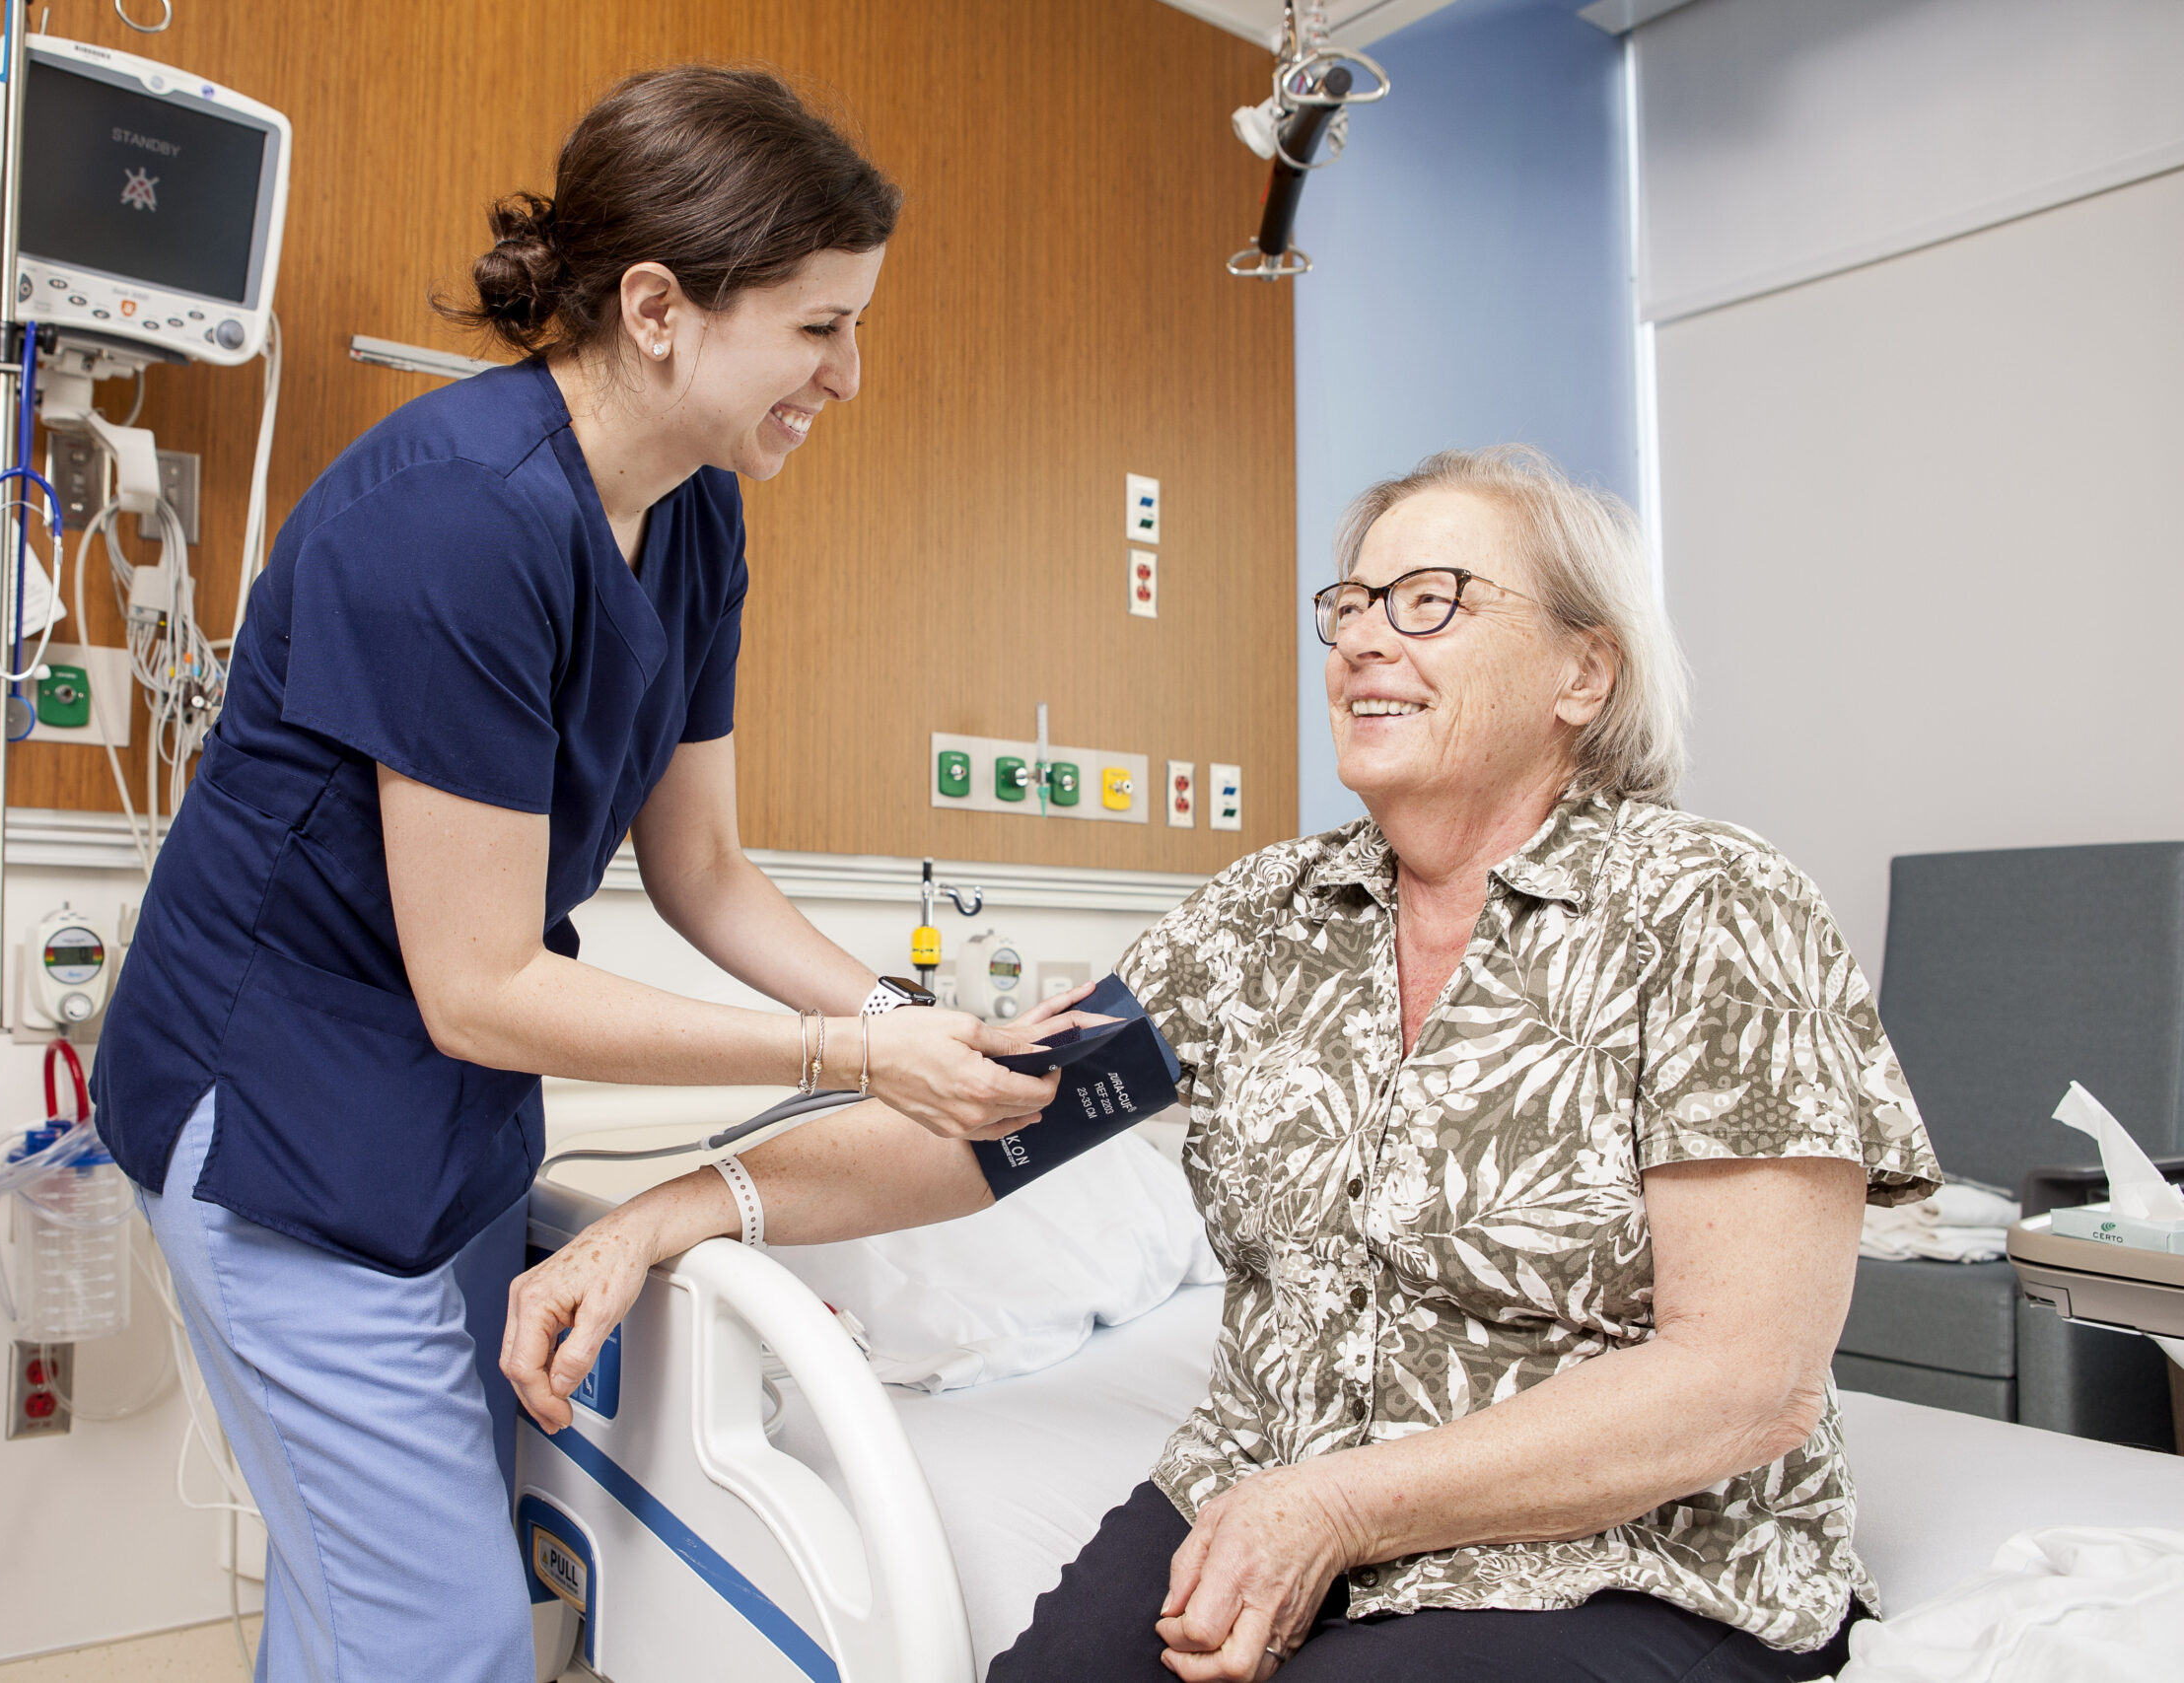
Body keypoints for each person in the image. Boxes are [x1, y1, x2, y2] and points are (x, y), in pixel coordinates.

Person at [504, 446, 1941, 1683]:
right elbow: (987, 1125)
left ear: (1585, 667)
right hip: (1259, 1479)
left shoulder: (1712, 906)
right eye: (1353, 604)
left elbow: (1742, 1379)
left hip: (1612, 1544)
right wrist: (670, 1210)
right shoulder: (1263, 919)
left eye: (1430, 601)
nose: (1366, 638)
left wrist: (1344, 1508)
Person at [91, 66, 1092, 1683]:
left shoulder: (694, 520)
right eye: (819, 326)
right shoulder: (454, 522)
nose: (850, 375)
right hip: (278, 1110)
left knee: (370, 1597)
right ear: (657, 308)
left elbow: (704, 873)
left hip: (446, 1118)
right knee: (446, 1638)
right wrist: (849, 1058)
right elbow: (481, 983)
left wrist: (917, 1025)